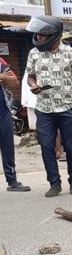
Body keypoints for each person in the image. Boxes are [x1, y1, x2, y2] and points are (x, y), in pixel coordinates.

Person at [25, 15, 72, 197]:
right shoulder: (34, 53)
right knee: (46, 146)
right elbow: (30, 76)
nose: (39, 38)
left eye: (43, 35)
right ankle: (54, 183)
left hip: (67, 108)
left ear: (54, 35)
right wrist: (33, 85)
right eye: (38, 35)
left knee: (70, 146)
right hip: (44, 109)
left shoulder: (71, 54)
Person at [0, 58, 30, 192]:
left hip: (3, 110)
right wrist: (1, 76)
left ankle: (12, 181)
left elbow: (14, 82)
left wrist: (3, 77)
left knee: (7, 146)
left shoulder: (0, 61)